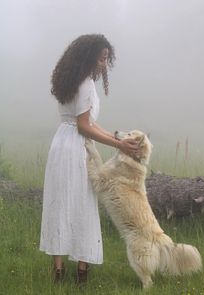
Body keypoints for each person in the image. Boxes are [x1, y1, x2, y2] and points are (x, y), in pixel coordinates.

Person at [39, 34, 139, 285]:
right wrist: (118, 144)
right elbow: (84, 127)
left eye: (107, 59)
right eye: (102, 58)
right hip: (76, 149)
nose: (104, 64)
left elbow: (84, 123)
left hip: (61, 144)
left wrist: (116, 138)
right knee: (82, 204)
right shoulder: (85, 84)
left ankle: (58, 272)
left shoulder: (69, 81)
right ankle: (81, 274)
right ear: (90, 56)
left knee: (59, 204)